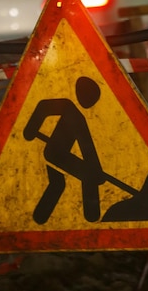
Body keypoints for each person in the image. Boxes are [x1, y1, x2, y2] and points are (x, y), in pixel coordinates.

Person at [23, 76, 106, 224]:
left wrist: (96, 170)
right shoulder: (69, 109)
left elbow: (87, 147)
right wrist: (30, 130)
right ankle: (91, 215)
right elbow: (43, 107)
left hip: (58, 154)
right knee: (87, 175)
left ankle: (38, 219)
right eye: (91, 98)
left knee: (58, 184)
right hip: (56, 153)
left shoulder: (78, 117)